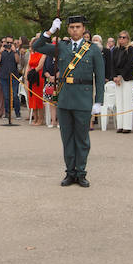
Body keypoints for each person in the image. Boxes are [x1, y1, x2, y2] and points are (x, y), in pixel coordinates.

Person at [33, 16, 106, 186]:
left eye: (78, 27)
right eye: (71, 27)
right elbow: (38, 47)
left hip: (83, 97)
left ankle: (80, 172)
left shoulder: (93, 49)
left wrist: (98, 101)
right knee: (67, 137)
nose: (74, 30)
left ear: (83, 29)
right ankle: (70, 172)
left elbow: (100, 77)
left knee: (81, 138)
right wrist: (50, 31)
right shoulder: (61, 47)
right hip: (65, 98)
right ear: (67, 29)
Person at [111, 31, 133, 134]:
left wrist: (120, 76)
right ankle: (120, 125)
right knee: (119, 101)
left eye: (124, 37)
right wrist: (114, 76)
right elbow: (112, 64)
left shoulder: (130, 49)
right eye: (120, 37)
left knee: (127, 101)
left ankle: (127, 126)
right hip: (117, 79)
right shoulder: (116, 50)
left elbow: (129, 63)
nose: (121, 39)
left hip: (127, 77)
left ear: (128, 39)